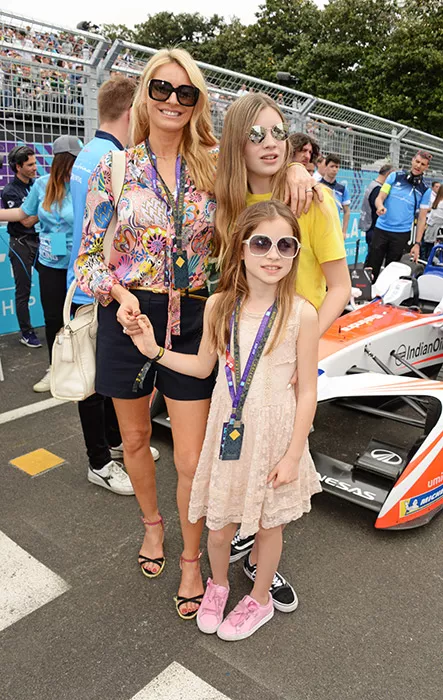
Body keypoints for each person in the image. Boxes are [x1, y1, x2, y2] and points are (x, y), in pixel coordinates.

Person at [75, 49, 317, 620]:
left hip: (195, 316)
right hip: (128, 314)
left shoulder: (212, 164)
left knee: (189, 458)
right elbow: (88, 260)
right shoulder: (115, 168)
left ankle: (190, 559)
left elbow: (266, 171)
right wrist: (119, 295)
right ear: (144, 95)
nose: (172, 101)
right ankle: (151, 526)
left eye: (186, 93)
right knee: (135, 439)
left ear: (197, 102)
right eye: (161, 88)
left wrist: (298, 167)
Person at [131, 200, 321, 641]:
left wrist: (294, 455)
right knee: (218, 528)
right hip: (227, 433)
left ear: (295, 253)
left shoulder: (302, 313)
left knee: (269, 527)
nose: (273, 254)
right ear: (241, 248)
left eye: (285, 245)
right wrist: (153, 351)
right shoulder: (218, 305)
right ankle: (217, 585)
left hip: (276, 436)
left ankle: (259, 599)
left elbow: (308, 391)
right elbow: (203, 368)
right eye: (261, 243)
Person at [214, 93, 350, 611]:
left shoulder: (312, 199)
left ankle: (260, 565)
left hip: (291, 357)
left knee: (281, 461)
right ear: (236, 144)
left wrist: (302, 347)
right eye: (255, 135)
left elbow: (339, 287)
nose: (270, 144)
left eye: (278, 133)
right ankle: (246, 538)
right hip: (241, 360)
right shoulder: (227, 203)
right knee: (242, 451)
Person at [67, 76, 155, 497]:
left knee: (103, 382)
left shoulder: (88, 153)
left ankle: (115, 443)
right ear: (132, 112)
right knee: (93, 383)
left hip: (93, 284)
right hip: (101, 288)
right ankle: (99, 462)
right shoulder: (113, 160)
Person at [0, 135, 81, 392]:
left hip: (79, 264)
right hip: (50, 264)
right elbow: (22, 213)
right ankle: (55, 368)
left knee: (82, 318)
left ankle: (82, 368)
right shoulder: (42, 185)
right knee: (53, 318)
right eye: (72, 161)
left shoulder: (84, 183)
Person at [1, 146, 41, 347]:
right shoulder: (10, 191)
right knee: (23, 291)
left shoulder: (36, 185)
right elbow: (25, 221)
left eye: (35, 163)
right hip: (21, 244)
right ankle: (26, 332)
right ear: (18, 167)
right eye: (30, 165)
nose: (35, 168)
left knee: (53, 282)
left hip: (41, 241)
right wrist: (46, 209)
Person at [372, 151, 433, 275]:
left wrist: (417, 244)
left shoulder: (425, 190)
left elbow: (422, 219)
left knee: (392, 272)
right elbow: (380, 197)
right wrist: (380, 206)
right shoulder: (394, 176)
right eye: (417, 162)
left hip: (401, 234)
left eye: (422, 164)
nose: (418, 166)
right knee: (371, 268)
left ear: (426, 167)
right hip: (381, 229)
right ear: (412, 160)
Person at [358, 164, 393, 265]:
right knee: (373, 257)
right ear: (388, 174)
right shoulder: (378, 189)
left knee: (372, 255)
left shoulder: (372, 185)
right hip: (373, 227)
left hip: (370, 225)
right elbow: (378, 209)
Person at [319, 154, 351, 236]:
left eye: (337, 167)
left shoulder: (342, 189)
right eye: (332, 166)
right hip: (319, 227)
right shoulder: (317, 186)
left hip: (335, 230)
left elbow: (347, 211)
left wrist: (344, 232)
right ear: (325, 167)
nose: (334, 169)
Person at [421, 185, 443, 260]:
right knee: (429, 247)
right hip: (435, 229)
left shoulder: (437, 202)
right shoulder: (440, 203)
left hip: (431, 227)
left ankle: (424, 259)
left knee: (426, 246)